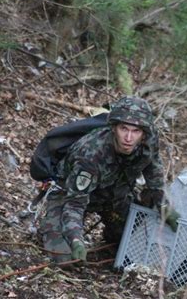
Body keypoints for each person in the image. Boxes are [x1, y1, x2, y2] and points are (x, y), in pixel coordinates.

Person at [37, 96, 179, 263]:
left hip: (114, 197)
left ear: (144, 133)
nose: (129, 137)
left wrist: (163, 204)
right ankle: (48, 229)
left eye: (136, 131)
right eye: (124, 129)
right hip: (70, 195)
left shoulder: (149, 140)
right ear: (114, 128)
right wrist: (76, 240)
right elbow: (74, 204)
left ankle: (110, 236)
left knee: (133, 243)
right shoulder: (90, 154)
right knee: (65, 258)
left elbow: (153, 169)